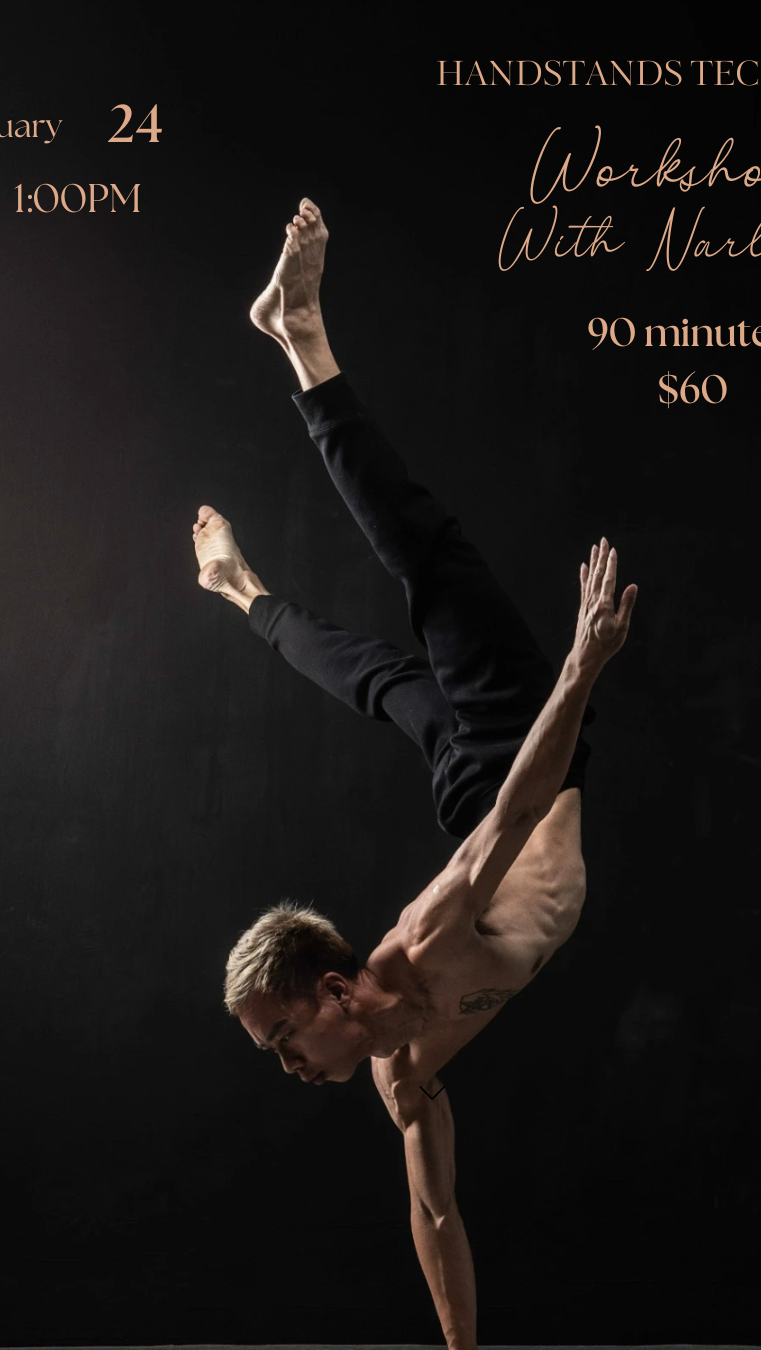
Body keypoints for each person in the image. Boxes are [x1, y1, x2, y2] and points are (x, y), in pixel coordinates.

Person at [192, 198, 637, 1350]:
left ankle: (302, 338)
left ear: (335, 993)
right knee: (374, 678)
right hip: (477, 777)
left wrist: (579, 668)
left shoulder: (429, 936)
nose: (288, 1067)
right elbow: (436, 1214)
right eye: (279, 1054)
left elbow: (518, 816)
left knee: (423, 553)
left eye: (284, 1040)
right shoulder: (403, 1075)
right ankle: (241, 592)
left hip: (515, 755)